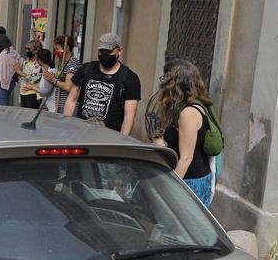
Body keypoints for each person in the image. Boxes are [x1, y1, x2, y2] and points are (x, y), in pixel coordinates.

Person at [152, 59, 216, 205]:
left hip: (189, 182)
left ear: (176, 85)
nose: (163, 85)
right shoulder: (183, 108)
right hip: (186, 178)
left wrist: (170, 189)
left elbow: (186, 157)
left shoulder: (188, 113)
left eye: (166, 80)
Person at [64, 33, 142, 134]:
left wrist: (121, 141)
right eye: (101, 51)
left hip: (108, 138)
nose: (105, 55)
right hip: (81, 133)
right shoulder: (86, 69)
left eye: (109, 52)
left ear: (120, 51)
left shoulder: (129, 78)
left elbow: (129, 116)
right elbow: (71, 100)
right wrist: (65, 127)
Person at [44, 34, 81, 114]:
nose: (55, 52)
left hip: (68, 106)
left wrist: (53, 80)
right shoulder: (63, 63)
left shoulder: (72, 63)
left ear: (66, 48)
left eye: (57, 49)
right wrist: (53, 77)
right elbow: (62, 80)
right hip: (60, 104)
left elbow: (68, 86)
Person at [0, 32, 22, 106]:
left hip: (2, 83)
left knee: (2, 107)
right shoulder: (13, 52)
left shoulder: (4, 55)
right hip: (10, 82)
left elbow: (0, 70)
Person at [17, 40, 44, 109]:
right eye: (25, 48)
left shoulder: (39, 63)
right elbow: (23, 76)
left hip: (33, 93)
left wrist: (20, 72)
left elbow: (34, 79)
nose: (26, 51)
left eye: (28, 49)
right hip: (23, 92)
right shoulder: (26, 61)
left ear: (36, 50)